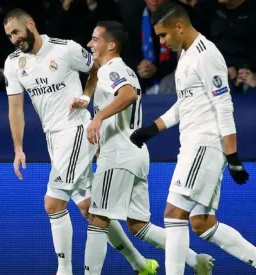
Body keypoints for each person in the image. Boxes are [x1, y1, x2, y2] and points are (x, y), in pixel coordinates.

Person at [3, 8, 158, 275]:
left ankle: (64, 270)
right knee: (89, 208)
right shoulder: (13, 63)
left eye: (16, 31)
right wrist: (18, 147)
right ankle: (141, 265)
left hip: (76, 131)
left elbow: (98, 66)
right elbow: (15, 108)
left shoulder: (65, 49)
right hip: (54, 138)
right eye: (9, 36)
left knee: (52, 204)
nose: (14, 39)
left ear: (31, 24)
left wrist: (86, 97)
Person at [129, 2, 253, 274]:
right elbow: (185, 105)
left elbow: (224, 106)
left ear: (180, 26)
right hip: (195, 146)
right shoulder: (185, 55)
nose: (162, 41)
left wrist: (232, 157)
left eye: (163, 35)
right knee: (202, 223)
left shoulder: (206, 55)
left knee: (173, 215)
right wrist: (152, 129)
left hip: (204, 145)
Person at [84, 20, 214, 275]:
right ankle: (195, 260)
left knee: (97, 219)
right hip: (135, 153)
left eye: (95, 39)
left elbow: (129, 94)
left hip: (119, 155)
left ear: (111, 45)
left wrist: (97, 118)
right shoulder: (121, 69)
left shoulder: (113, 69)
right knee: (138, 225)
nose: (90, 43)